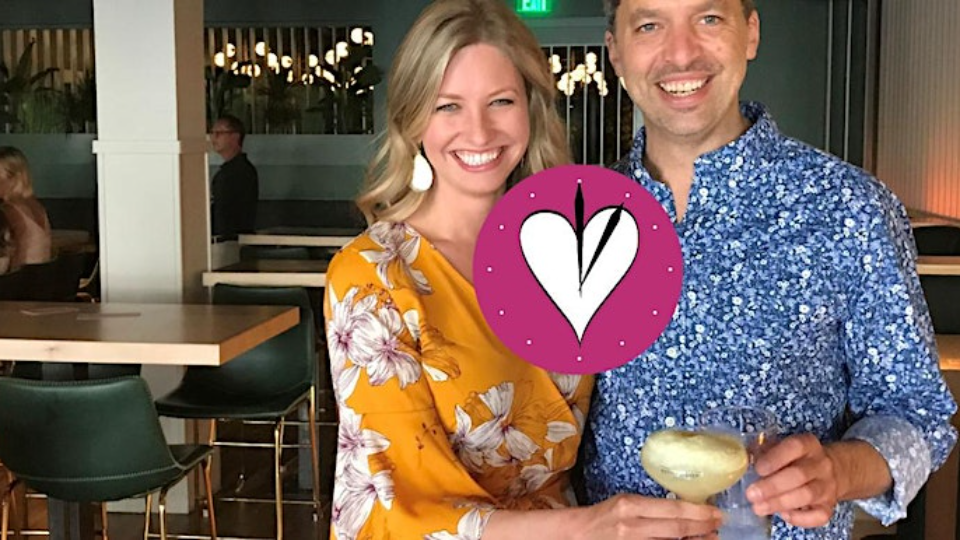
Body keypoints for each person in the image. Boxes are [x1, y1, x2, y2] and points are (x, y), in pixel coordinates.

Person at [323, 1, 724, 539]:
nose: (479, 131)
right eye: (448, 106)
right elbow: (396, 505)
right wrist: (589, 527)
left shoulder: (571, 246)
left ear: (531, 109)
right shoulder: (374, 276)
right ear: (414, 119)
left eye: (501, 101)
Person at [583, 0, 958, 539]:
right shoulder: (580, 219)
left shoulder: (848, 208)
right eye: (648, 25)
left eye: (708, 19)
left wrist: (839, 469)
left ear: (751, 33)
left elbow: (917, 414)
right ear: (616, 51)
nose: (681, 53)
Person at [0, 146, 52, 272]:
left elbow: (2, 260)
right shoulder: (37, 207)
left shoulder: (8, 210)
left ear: (13, 178)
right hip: (42, 278)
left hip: (18, 281)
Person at [210, 114, 258, 238]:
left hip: (230, 239)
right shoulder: (228, 171)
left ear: (235, 136)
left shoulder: (240, 171)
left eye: (219, 133)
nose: (214, 138)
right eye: (212, 133)